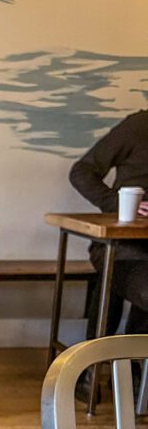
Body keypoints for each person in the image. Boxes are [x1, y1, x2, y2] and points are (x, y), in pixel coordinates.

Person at [69, 108, 148, 341]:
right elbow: (81, 172)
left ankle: (133, 371)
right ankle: (115, 367)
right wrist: (117, 202)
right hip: (119, 246)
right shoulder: (140, 125)